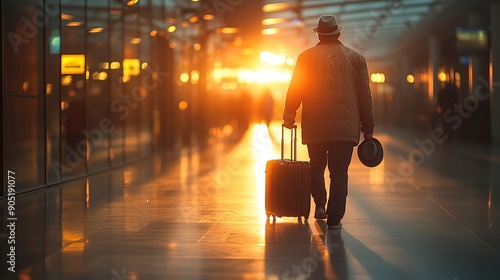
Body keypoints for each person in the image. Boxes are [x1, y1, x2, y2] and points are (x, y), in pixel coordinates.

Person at [283, 15, 375, 229]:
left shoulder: (306, 57)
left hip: (316, 125)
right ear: (338, 33)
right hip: (345, 128)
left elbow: (296, 87)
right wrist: (368, 129)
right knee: (339, 172)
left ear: (319, 34)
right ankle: (335, 218)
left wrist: (289, 115)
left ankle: (320, 206)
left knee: (316, 167)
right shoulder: (356, 59)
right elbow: (365, 96)